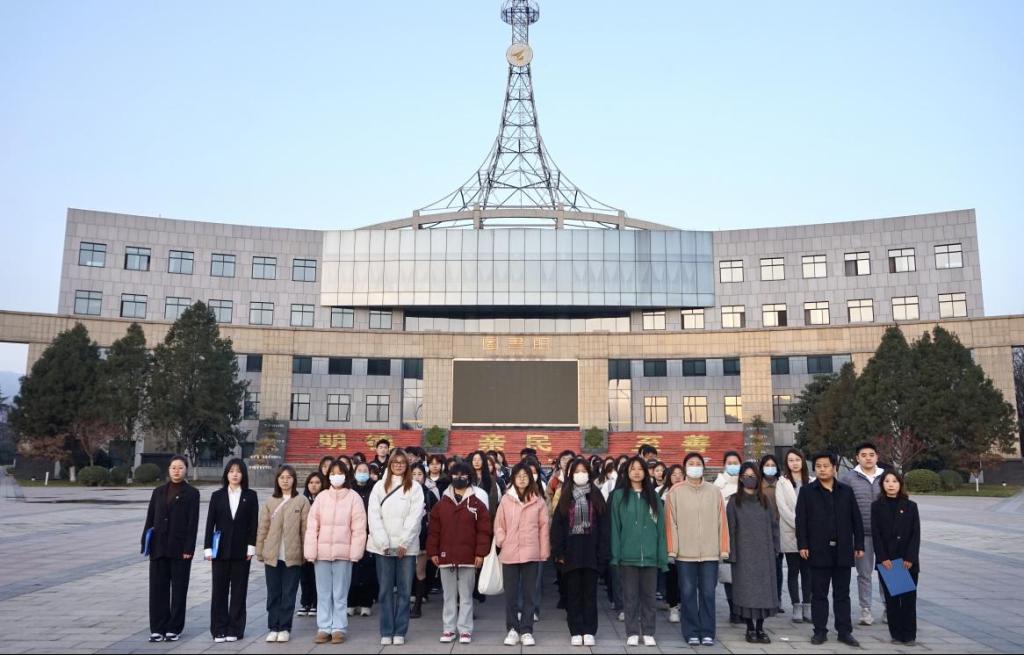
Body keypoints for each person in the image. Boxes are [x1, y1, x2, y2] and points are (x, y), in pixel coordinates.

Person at [796, 452, 865, 647]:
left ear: (834, 468)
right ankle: (820, 631)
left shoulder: (846, 491)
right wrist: (803, 545)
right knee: (819, 594)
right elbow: (801, 521)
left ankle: (844, 631)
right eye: (818, 466)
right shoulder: (807, 492)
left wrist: (859, 544)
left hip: (843, 549)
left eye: (826, 466)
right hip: (818, 549)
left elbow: (856, 519)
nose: (822, 469)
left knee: (842, 593)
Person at [665, 452, 729, 647]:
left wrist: (723, 548)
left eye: (698, 463)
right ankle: (691, 631)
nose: (695, 466)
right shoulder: (675, 491)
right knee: (688, 593)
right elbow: (670, 523)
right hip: (685, 553)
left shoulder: (714, 491)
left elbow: (722, 521)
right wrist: (672, 549)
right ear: (685, 467)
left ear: (703, 467)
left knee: (708, 593)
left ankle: (708, 631)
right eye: (691, 463)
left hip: (710, 552)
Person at [426, 462, 493, 644]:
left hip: (468, 557)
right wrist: (433, 551)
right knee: (448, 596)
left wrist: (480, 553)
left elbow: (484, 531)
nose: (459, 478)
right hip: (445, 556)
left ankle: (465, 630)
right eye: (456, 475)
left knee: (466, 596)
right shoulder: (441, 504)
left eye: (463, 475)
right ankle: (448, 629)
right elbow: (434, 531)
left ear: (469, 478)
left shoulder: (477, 504)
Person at [304, 460, 368, 645]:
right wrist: (311, 550)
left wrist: (355, 552)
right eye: (333, 473)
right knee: (323, 592)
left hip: (343, 553)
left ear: (346, 475)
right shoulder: (322, 497)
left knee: (340, 593)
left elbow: (359, 528)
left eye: (340, 473)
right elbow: (312, 526)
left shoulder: (354, 497)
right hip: (322, 553)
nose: (336, 476)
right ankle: (324, 627)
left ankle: (339, 627)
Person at [550, 458, 610, 647]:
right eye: (577, 471)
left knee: (590, 595)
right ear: (571, 474)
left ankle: (589, 630)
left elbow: (604, 528)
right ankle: (575, 629)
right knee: (573, 594)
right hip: (571, 554)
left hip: (591, 553)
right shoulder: (565, 496)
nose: (580, 475)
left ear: (589, 474)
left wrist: (603, 554)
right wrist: (559, 552)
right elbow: (557, 527)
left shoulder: (596, 496)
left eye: (584, 471)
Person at [367, 448, 424, 646]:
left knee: (404, 590)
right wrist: (383, 543)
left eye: (402, 462)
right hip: (382, 547)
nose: (398, 465)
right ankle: (386, 630)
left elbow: (415, 517)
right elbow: (373, 516)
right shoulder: (379, 487)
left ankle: (400, 630)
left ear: (407, 465)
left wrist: (404, 543)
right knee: (385, 590)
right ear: (390, 464)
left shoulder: (414, 488)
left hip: (405, 548)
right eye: (395, 462)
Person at [610, 456, 668, 647]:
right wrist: (616, 555)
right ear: (626, 472)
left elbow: (660, 529)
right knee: (630, 596)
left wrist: (661, 556)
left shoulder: (653, 497)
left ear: (645, 472)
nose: (636, 472)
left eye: (640, 469)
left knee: (649, 596)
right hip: (628, 555)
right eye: (632, 469)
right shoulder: (619, 496)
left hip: (650, 556)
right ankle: (632, 631)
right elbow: (615, 527)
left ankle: (649, 631)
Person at [142, 455, 200, 643]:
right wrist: (146, 543)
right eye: (173, 467)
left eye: (180, 467)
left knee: (178, 590)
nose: (177, 471)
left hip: (180, 549)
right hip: (158, 547)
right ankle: (157, 628)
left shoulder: (192, 493)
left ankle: (174, 628)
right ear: (168, 469)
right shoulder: (158, 492)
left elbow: (193, 523)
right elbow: (150, 519)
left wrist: (189, 548)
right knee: (157, 590)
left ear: (186, 470)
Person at [494, 462, 550, 647]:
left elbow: (544, 528)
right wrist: (502, 540)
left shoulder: (538, 500)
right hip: (510, 552)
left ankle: (526, 630)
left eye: (525, 476)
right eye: (518, 476)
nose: (522, 479)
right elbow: (499, 524)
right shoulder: (506, 499)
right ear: (513, 478)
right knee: (510, 595)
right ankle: (512, 629)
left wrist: (543, 551)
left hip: (531, 552)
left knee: (529, 594)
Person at [204, 458, 258, 643]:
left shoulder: (251, 495)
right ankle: (218, 628)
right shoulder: (217, 496)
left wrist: (251, 546)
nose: (235, 474)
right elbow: (210, 523)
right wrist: (208, 548)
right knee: (219, 591)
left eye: (239, 471)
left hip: (242, 551)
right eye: (231, 471)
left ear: (244, 475)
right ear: (226, 474)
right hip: (220, 550)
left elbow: (253, 524)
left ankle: (235, 628)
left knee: (239, 591)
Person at [727, 463, 780, 644]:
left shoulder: (765, 500)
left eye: (753, 475)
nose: (750, 479)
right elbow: (731, 528)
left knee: (764, 592)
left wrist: (775, 547)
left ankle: (760, 628)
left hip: (764, 552)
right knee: (746, 592)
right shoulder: (734, 501)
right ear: (741, 478)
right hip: (743, 553)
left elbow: (774, 526)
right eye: (746, 476)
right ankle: (750, 627)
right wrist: (731, 553)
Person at [256, 465, 309, 644]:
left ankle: (285, 627)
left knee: (289, 593)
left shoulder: (301, 501)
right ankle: (273, 627)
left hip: (293, 556)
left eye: (289, 477)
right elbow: (263, 528)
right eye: (282, 477)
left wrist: (306, 552)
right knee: (273, 594)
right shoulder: (270, 501)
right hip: (272, 555)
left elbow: (305, 530)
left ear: (294, 480)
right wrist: (260, 550)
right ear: (277, 480)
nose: (285, 480)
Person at [871, 471, 921, 646]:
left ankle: (909, 635)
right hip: (888, 560)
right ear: (882, 485)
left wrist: (910, 557)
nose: (891, 484)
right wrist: (882, 557)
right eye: (887, 481)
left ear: (900, 484)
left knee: (908, 599)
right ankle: (896, 634)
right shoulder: (876, 506)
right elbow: (876, 534)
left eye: (894, 481)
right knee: (892, 599)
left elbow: (916, 534)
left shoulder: (911, 506)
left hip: (907, 561)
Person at [840, 442, 885, 626]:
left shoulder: (886, 476)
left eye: (871, 455)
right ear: (857, 458)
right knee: (864, 574)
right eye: (863, 455)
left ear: (877, 457)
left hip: (887, 534)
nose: (868, 458)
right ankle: (866, 610)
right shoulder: (848, 478)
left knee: (891, 571)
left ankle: (893, 608)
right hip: (862, 534)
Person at [777, 448, 812, 623]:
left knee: (808, 572)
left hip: (810, 534)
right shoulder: (782, 482)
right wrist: (799, 525)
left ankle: (808, 605)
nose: (794, 463)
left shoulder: (811, 481)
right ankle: (796, 605)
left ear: (802, 461)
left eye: (797, 459)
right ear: (787, 463)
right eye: (791, 460)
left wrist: (807, 527)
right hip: (790, 532)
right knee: (793, 570)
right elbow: (783, 508)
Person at [713, 450, 742, 624]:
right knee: (728, 573)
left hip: (745, 535)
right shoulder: (717, 486)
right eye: (729, 463)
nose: (732, 466)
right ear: (724, 465)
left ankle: (743, 608)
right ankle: (733, 609)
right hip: (726, 533)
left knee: (744, 574)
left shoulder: (747, 482)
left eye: (735, 462)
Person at [348, 462, 378, 617]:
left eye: (365, 470)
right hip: (351, 533)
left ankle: (366, 603)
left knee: (367, 569)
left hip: (369, 533)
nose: (362, 473)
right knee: (352, 569)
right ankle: (351, 602)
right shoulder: (349, 489)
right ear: (354, 472)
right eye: (359, 470)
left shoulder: (375, 489)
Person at [410, 466, 439, 619]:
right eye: (413, 474)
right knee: (406, 572)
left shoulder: (429, 494)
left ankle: (417, 605)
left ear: (425, 476)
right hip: (405, 539)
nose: (416, 477)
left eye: (419, 474)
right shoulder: (403, 492)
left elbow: (436, 519)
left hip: (422, 537)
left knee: (420, 571)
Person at [759, 453, 785, 612]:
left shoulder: (782, 484)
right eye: (767, 465)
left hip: (779, 531)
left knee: (777, 567)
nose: (770, 468)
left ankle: (777, 599)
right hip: (762, 531)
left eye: (772, 465)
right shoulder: (757, 486)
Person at [658, 465, 684, 624]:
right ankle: (673, 606)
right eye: (674, 474)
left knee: (686, 577)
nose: (677, 477)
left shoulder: (690, 493)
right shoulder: (661, 494)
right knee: (672, 575)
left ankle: (684, 604)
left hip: (687, 540)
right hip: (669, 540)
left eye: (681, 474)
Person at [298, 471, 325, 618]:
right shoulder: (302, 500)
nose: (314, 485)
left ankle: (316, 602)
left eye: (317, 483)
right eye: (311, 482)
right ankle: (305, 602)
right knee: (304, 575)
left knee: (317, 576)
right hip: (304, 542)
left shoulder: (325, 500)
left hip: (320, 542)